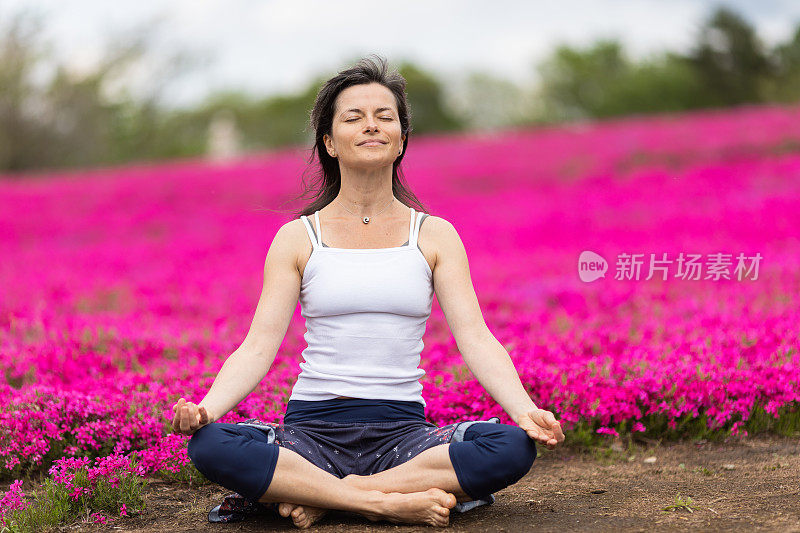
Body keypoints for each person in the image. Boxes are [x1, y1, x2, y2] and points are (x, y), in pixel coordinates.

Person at [170, 55, 565, 529]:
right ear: (330, 142)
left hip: (402, 433)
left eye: (385, 117)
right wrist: (206, 409)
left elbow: (476, 338)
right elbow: (257, 346)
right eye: (354, 117)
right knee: (210, 445)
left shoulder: (434, 235)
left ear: (402, 139)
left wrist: (525, 410)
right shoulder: (298, 237)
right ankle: (383, 502)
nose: (371, 126)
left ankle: (329, 495)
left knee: (511, 447)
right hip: (310, 433)